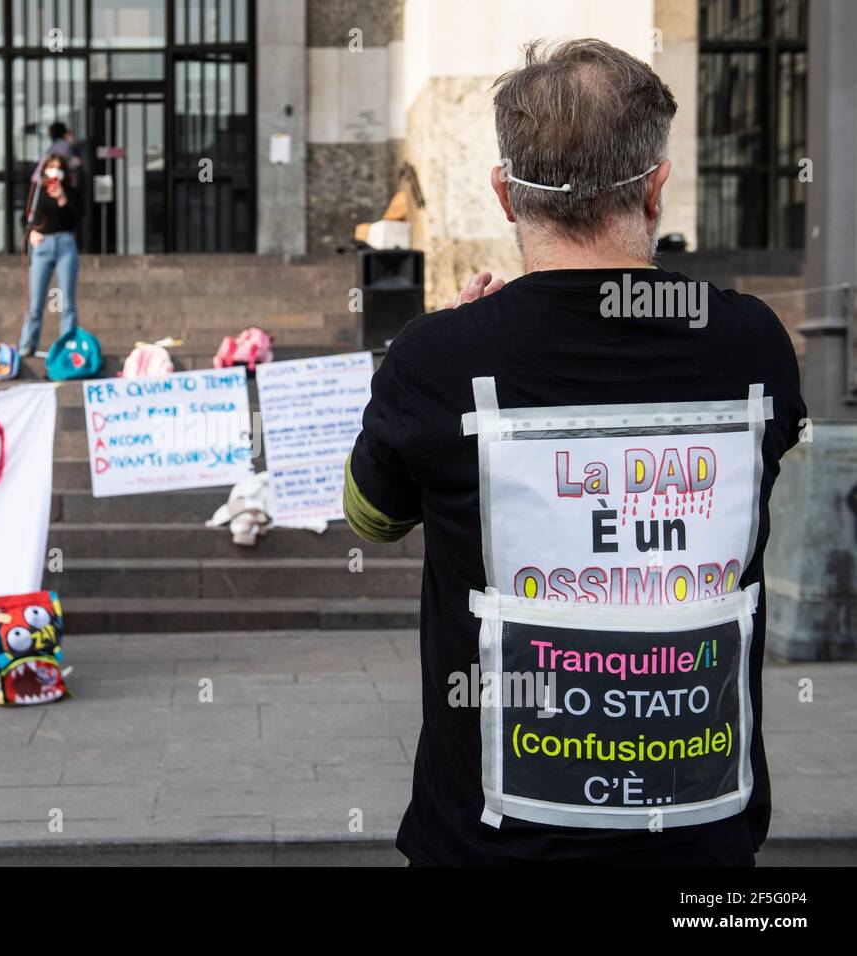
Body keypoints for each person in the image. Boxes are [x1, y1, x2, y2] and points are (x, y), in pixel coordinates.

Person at [344, 38, 806, 866]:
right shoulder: (752, 346)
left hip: (486, 847)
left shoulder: (439, 360)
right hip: (701, 845)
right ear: (657, 186)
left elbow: (371, 516)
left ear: (505, 193)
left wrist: (445, 347)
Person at [18, 153, 81, 356]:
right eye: (50, 167)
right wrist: (31, 233)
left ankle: (67, 347)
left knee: (65, 302)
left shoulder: (70, 192)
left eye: (58, 167)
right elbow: (26, 217)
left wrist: (62, 197)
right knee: (35, 303)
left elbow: (75, 219)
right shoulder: (38, 192)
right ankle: (27, 345)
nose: (54, 171)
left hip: (65, 245)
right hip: (43, 246)